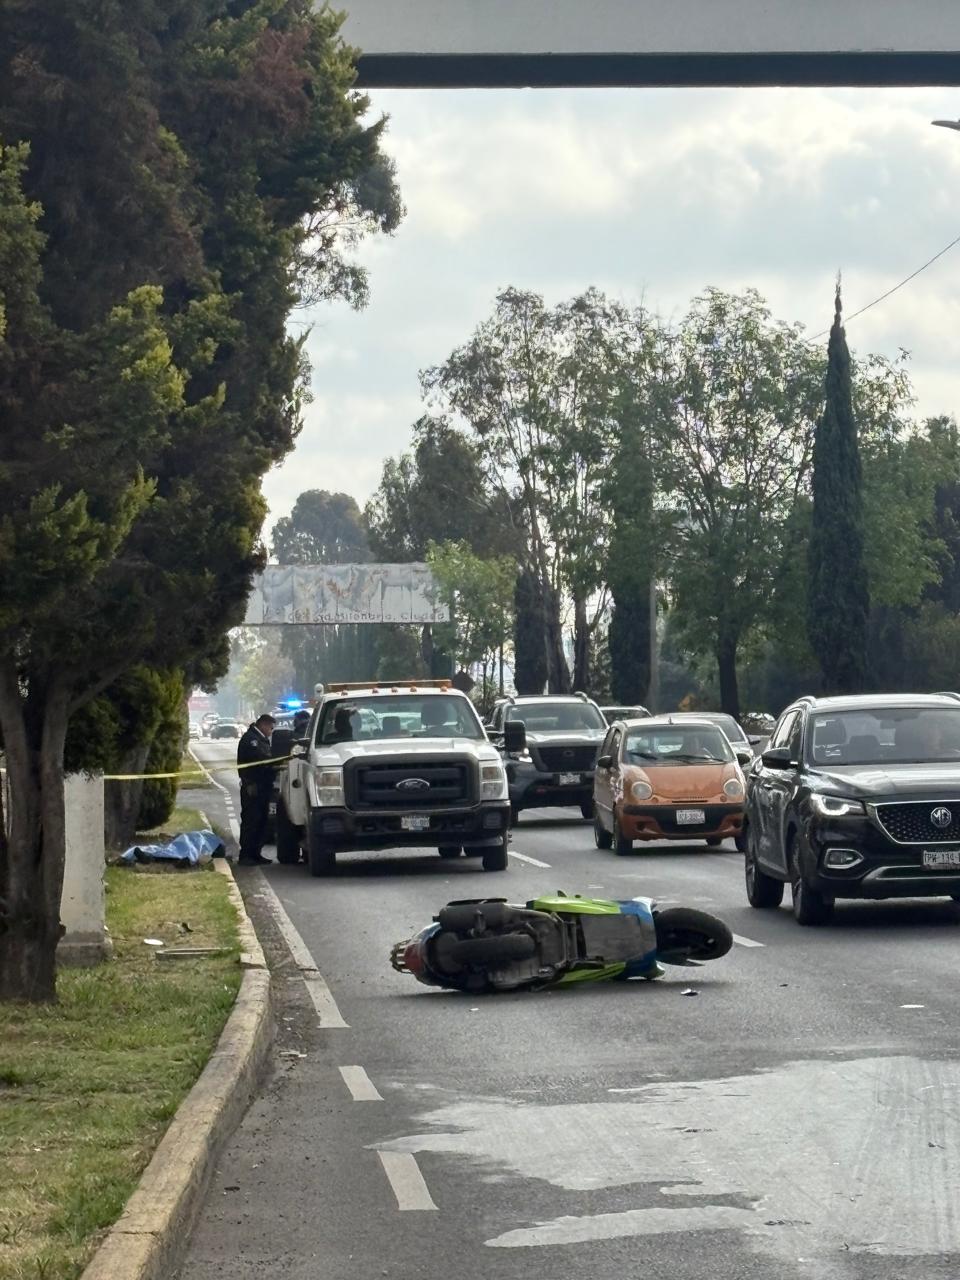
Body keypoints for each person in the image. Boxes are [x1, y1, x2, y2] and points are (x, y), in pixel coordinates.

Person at [237, 713, 276, 866]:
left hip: (263, 786)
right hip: (253, 787)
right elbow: (259, 760)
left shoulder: (260, 739)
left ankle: (256, 853)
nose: (271, 731)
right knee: (251, 821)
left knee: (261, 821)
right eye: (270, 728)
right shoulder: (251, 740)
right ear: (263, 725)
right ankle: (246, 855)